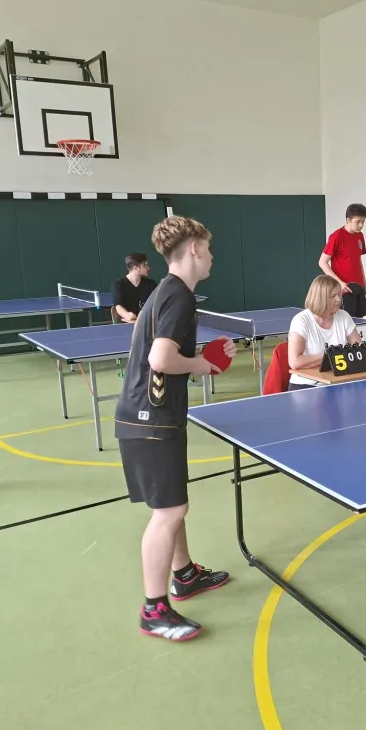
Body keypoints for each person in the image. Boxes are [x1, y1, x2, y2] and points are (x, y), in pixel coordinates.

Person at [114, 215, 237, 642]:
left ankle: (184, 574)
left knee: (173, 503)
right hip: (149, 419)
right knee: (169, 513)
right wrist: (202, 363)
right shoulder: (179, 296)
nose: (212, 256)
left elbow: (160, 350)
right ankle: (154, 610)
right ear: (195, 250)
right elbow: (160, 359)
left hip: (150, 416)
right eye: (209, 248)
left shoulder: (166, 291)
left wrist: (202, 356)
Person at [287, 275, 362, 389]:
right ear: (320, 298)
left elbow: (359, 349)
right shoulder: (301, 320)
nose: (338, 299)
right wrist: (330, 356)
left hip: (337, 381)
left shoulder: (344, 316)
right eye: (333, 296)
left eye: (339, 294)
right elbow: (295, 362)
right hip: (306, 384)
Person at [318, 203, 366, 318]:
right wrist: (340, 283)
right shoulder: (336, 236)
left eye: (363, 222)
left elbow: (358, 262)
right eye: (358, 222)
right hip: (344, 289)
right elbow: (322, 262)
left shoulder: (360, 236)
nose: (361, 225)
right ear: (348, 220)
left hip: (359, 288)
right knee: (346, 323)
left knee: (359, 323)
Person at [111, 252, 158, 323]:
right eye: (145, 265)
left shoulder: (151, 284)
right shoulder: (118, 284)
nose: (148, 268)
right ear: (136, 268)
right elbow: (118, 306)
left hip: (146, 323)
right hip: (125, 324)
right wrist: (126, 315)